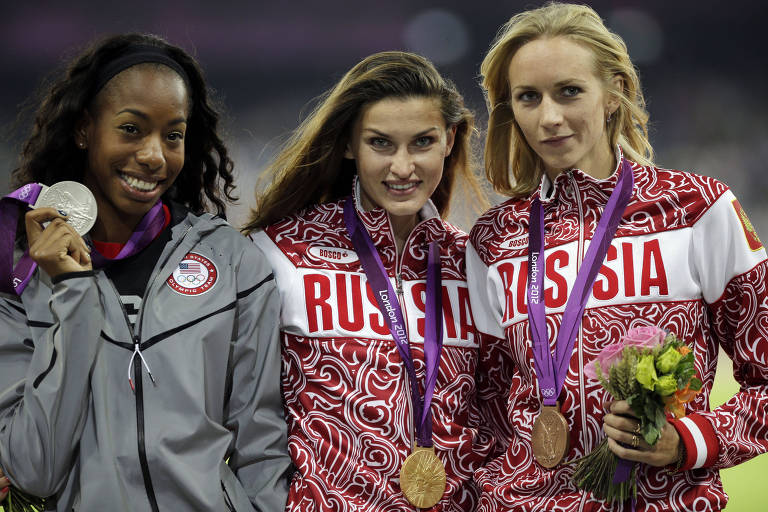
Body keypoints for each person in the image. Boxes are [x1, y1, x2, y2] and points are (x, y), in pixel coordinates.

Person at [466, 3, 768, 511]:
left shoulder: (696, 209)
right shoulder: (494, 240)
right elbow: (481, 408)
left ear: (615, 94)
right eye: (528, 98)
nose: (550, 117)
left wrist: (690, 440)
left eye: (569, 91)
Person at [0, 33, 290, 511]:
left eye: (172, 134)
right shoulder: (21, 276)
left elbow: (261, 443)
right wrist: (72, 293)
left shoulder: (233, 262)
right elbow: (34, 467)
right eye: (132, 129)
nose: (155, 155)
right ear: (83, 130)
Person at [244, 51, 494, 511]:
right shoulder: (277, 254)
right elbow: (243, 419)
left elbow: (496, 417)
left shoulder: (475, 263)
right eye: (380, 143)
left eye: (422, 142)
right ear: (347, 144)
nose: (403, 167)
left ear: (449, 139)